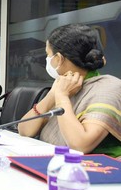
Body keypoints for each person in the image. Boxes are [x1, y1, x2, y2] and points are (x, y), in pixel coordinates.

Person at [17, 24, 121, 156]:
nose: (47, 60)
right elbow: (24, 130)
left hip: (97, 170)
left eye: (48, 55)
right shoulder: (62, 85)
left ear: (59, 58)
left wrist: (61, 98)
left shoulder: (108, 89)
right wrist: (52, 96)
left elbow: (80, 145)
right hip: (57, 164)